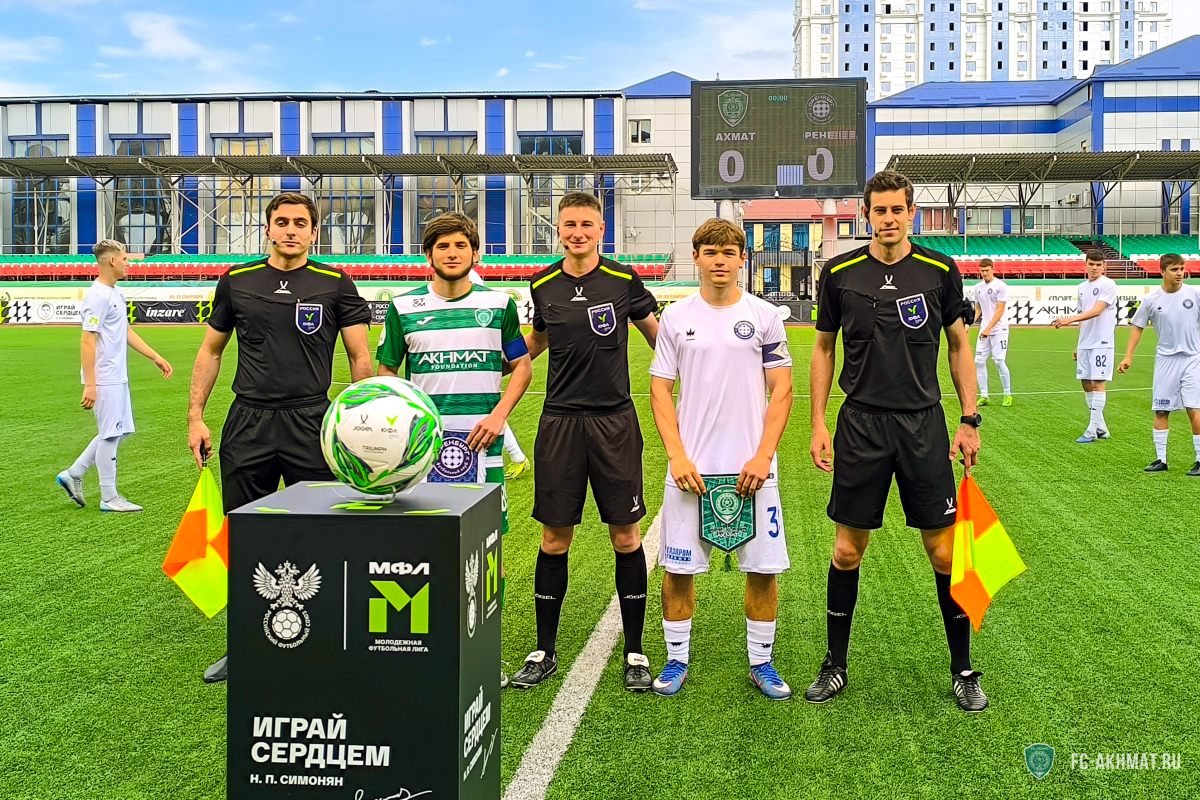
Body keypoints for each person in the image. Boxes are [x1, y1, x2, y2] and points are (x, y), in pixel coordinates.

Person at [807, 170, 986, 713]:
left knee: (944, 551)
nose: (888, 219)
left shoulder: (939, 270)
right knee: (846, 550)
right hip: (860, 425)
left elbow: (959, 346)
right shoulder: (839, 273)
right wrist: (818, 422)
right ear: (867, 215)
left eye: (897, 210)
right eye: (879, 210)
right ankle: (835, 664)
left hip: (922, 425)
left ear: (912, 213)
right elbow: (823, 349)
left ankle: (963, 669)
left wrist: (970, 419)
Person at [187, 192, 373, 683]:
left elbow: (360, 358)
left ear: (314, 232)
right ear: (268, 228)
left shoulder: (335, 283)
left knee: (322, 532)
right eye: (282, 221)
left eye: (301, 223)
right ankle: (247, 643)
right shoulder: (237, 280)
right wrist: (195, 416)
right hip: (248, 422)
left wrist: (360, 422)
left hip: (310, 420)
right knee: (245, 534)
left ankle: (325, 638)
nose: (291, 230)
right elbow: (210, 351)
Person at [510, 191, 660, 692]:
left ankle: (635, 651)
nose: (577, 232)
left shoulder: (622, 279)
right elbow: (537, 340)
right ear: (559, 229)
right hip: (560, 423)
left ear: (601, 230)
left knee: (626, 537)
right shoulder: (542, 283)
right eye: (569, 224)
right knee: (555, 539)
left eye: (586, 224)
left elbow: (657, 337)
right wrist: (492, 359)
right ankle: (544, 650)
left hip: (614, 422)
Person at [377, 213, 533, 686]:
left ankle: (483, 654)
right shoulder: (403, 307)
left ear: (475, 253)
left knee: (486, 551)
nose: (452, 253)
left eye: (460, 245)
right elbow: (386, 374)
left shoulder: (499, 304)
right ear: (428, 255)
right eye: (442, 246)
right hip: (421, 453)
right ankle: (429, 649)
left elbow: (522, 366)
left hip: (482, 450)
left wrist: (499, 416)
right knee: (423, 549)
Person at [647, 219, 794, 700]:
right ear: (696, 257)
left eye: (729, 252)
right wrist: (676, 456)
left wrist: (764, 457)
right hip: (692, 470)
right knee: (678, 569)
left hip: (754, 469)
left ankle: (761, 663)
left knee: (763, 569)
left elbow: (782, 390)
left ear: (742, 259)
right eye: (710, 252)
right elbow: (660, 390)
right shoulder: (675, 317)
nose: (719, 261)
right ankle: (676, 659)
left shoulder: (765, 315)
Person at [57, 239, 173, 512]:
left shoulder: (115, 293)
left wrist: (155, 356)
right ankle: (109, 497)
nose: (128, 263)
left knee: (120, 431)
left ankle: (74, 474)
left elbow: (125, 331)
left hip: (117, 375)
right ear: (112, 261)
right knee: (110, 435)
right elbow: (87, 341)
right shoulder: (98, 296)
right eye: (124, 259)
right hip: (105, 377)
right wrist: (91, 384)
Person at [1118, 253, 1200, 476]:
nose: (1180, 273)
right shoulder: (1151, 299)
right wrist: (1128, 356)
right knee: (1161, 409)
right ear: (1162, 272)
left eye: (1181, 269)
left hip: (1193, 359)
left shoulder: (1195, 294)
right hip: (1165, 360)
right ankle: (1161, 460)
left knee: (1194, 408)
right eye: (1174, 269)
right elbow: (1138, 328)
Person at [466, 267, 531, 479]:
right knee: (489, 416)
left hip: (479, 375)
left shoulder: (490, 311)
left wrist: (492, 370)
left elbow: (520, 359)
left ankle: (517, 457)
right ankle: (518, 457)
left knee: (491, 415)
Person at [1053, 250, 1119, 443]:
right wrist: (1079, 344)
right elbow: (1084, 317)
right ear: (1086, 265)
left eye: (1099, 265)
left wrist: (1069, 320)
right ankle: (1102, 428)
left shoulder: (1108, 284)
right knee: (1085, 382)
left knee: (1097, 382)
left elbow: (1097, 311)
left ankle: (1091, 431)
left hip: (1102, 342)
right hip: (1086, 343)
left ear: (1103, 266)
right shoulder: (1081, 287)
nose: (1095, 268)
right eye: (1091, 264)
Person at [973, 258, 1013, 407]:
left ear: (993, 269)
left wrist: (989, 328)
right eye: (982, 271)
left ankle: (1007, 394)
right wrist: (969, 323)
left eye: (987, 270)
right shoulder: (977, 288)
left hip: (999, 330)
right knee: (978, 361)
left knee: (999, 361)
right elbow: (978, 309)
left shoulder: (1001, 286)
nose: (985, 273)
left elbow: (1000, 309)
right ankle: (984, 395)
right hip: (985, 330)